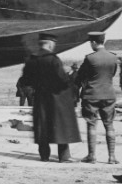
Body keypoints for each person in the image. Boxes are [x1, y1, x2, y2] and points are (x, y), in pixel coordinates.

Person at [18, 32, 81, 162]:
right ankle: (63, 157)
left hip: (40, 97)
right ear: (50, 45)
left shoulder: (31, 60)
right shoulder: (53, 59)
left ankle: (44, 156)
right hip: (56, 98)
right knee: (60, 125)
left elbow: (24, 81)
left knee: (42, 126)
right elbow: (63, 80)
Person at [75, 31, 120, 164]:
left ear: (94, 42)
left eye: (91, 43)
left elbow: (81, 76)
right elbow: (112, 74)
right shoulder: (113, 57)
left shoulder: (90, 58)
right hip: (109, 95)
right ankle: (112, 157)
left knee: (91, 125)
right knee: (109, 125)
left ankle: (92, 156)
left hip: (92, 95)